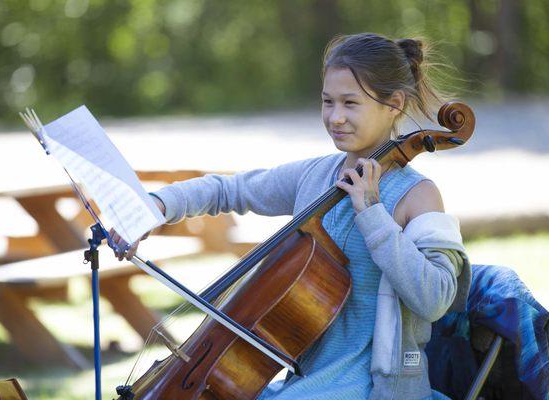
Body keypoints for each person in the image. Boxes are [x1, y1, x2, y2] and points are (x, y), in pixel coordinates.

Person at [110, 32, 471, 400]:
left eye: (350, 103)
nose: (335, 117)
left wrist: (373, 213)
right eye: (327, 102)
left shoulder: (418, 195)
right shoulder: (316, 176)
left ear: (393, 104)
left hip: (375, 387)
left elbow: (436, 298)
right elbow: (229, 190)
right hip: (306, 383)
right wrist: (155, 206)